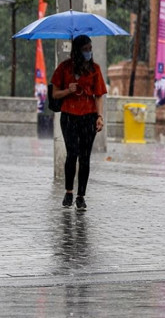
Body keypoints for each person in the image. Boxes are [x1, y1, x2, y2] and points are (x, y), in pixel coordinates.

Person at [50, 35, 108, 209]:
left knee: (85, 157)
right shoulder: (64, 68)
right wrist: (68, 90)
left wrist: (99, 116)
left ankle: (81, 195)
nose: (89, 52)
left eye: (90, 49)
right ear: (77, 50)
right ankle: (69, 192)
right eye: (85, 49)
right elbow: (54, 94)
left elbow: (99, 95)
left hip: (88, 117)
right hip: (69, 116)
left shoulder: (95, 69)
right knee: (72, 154)